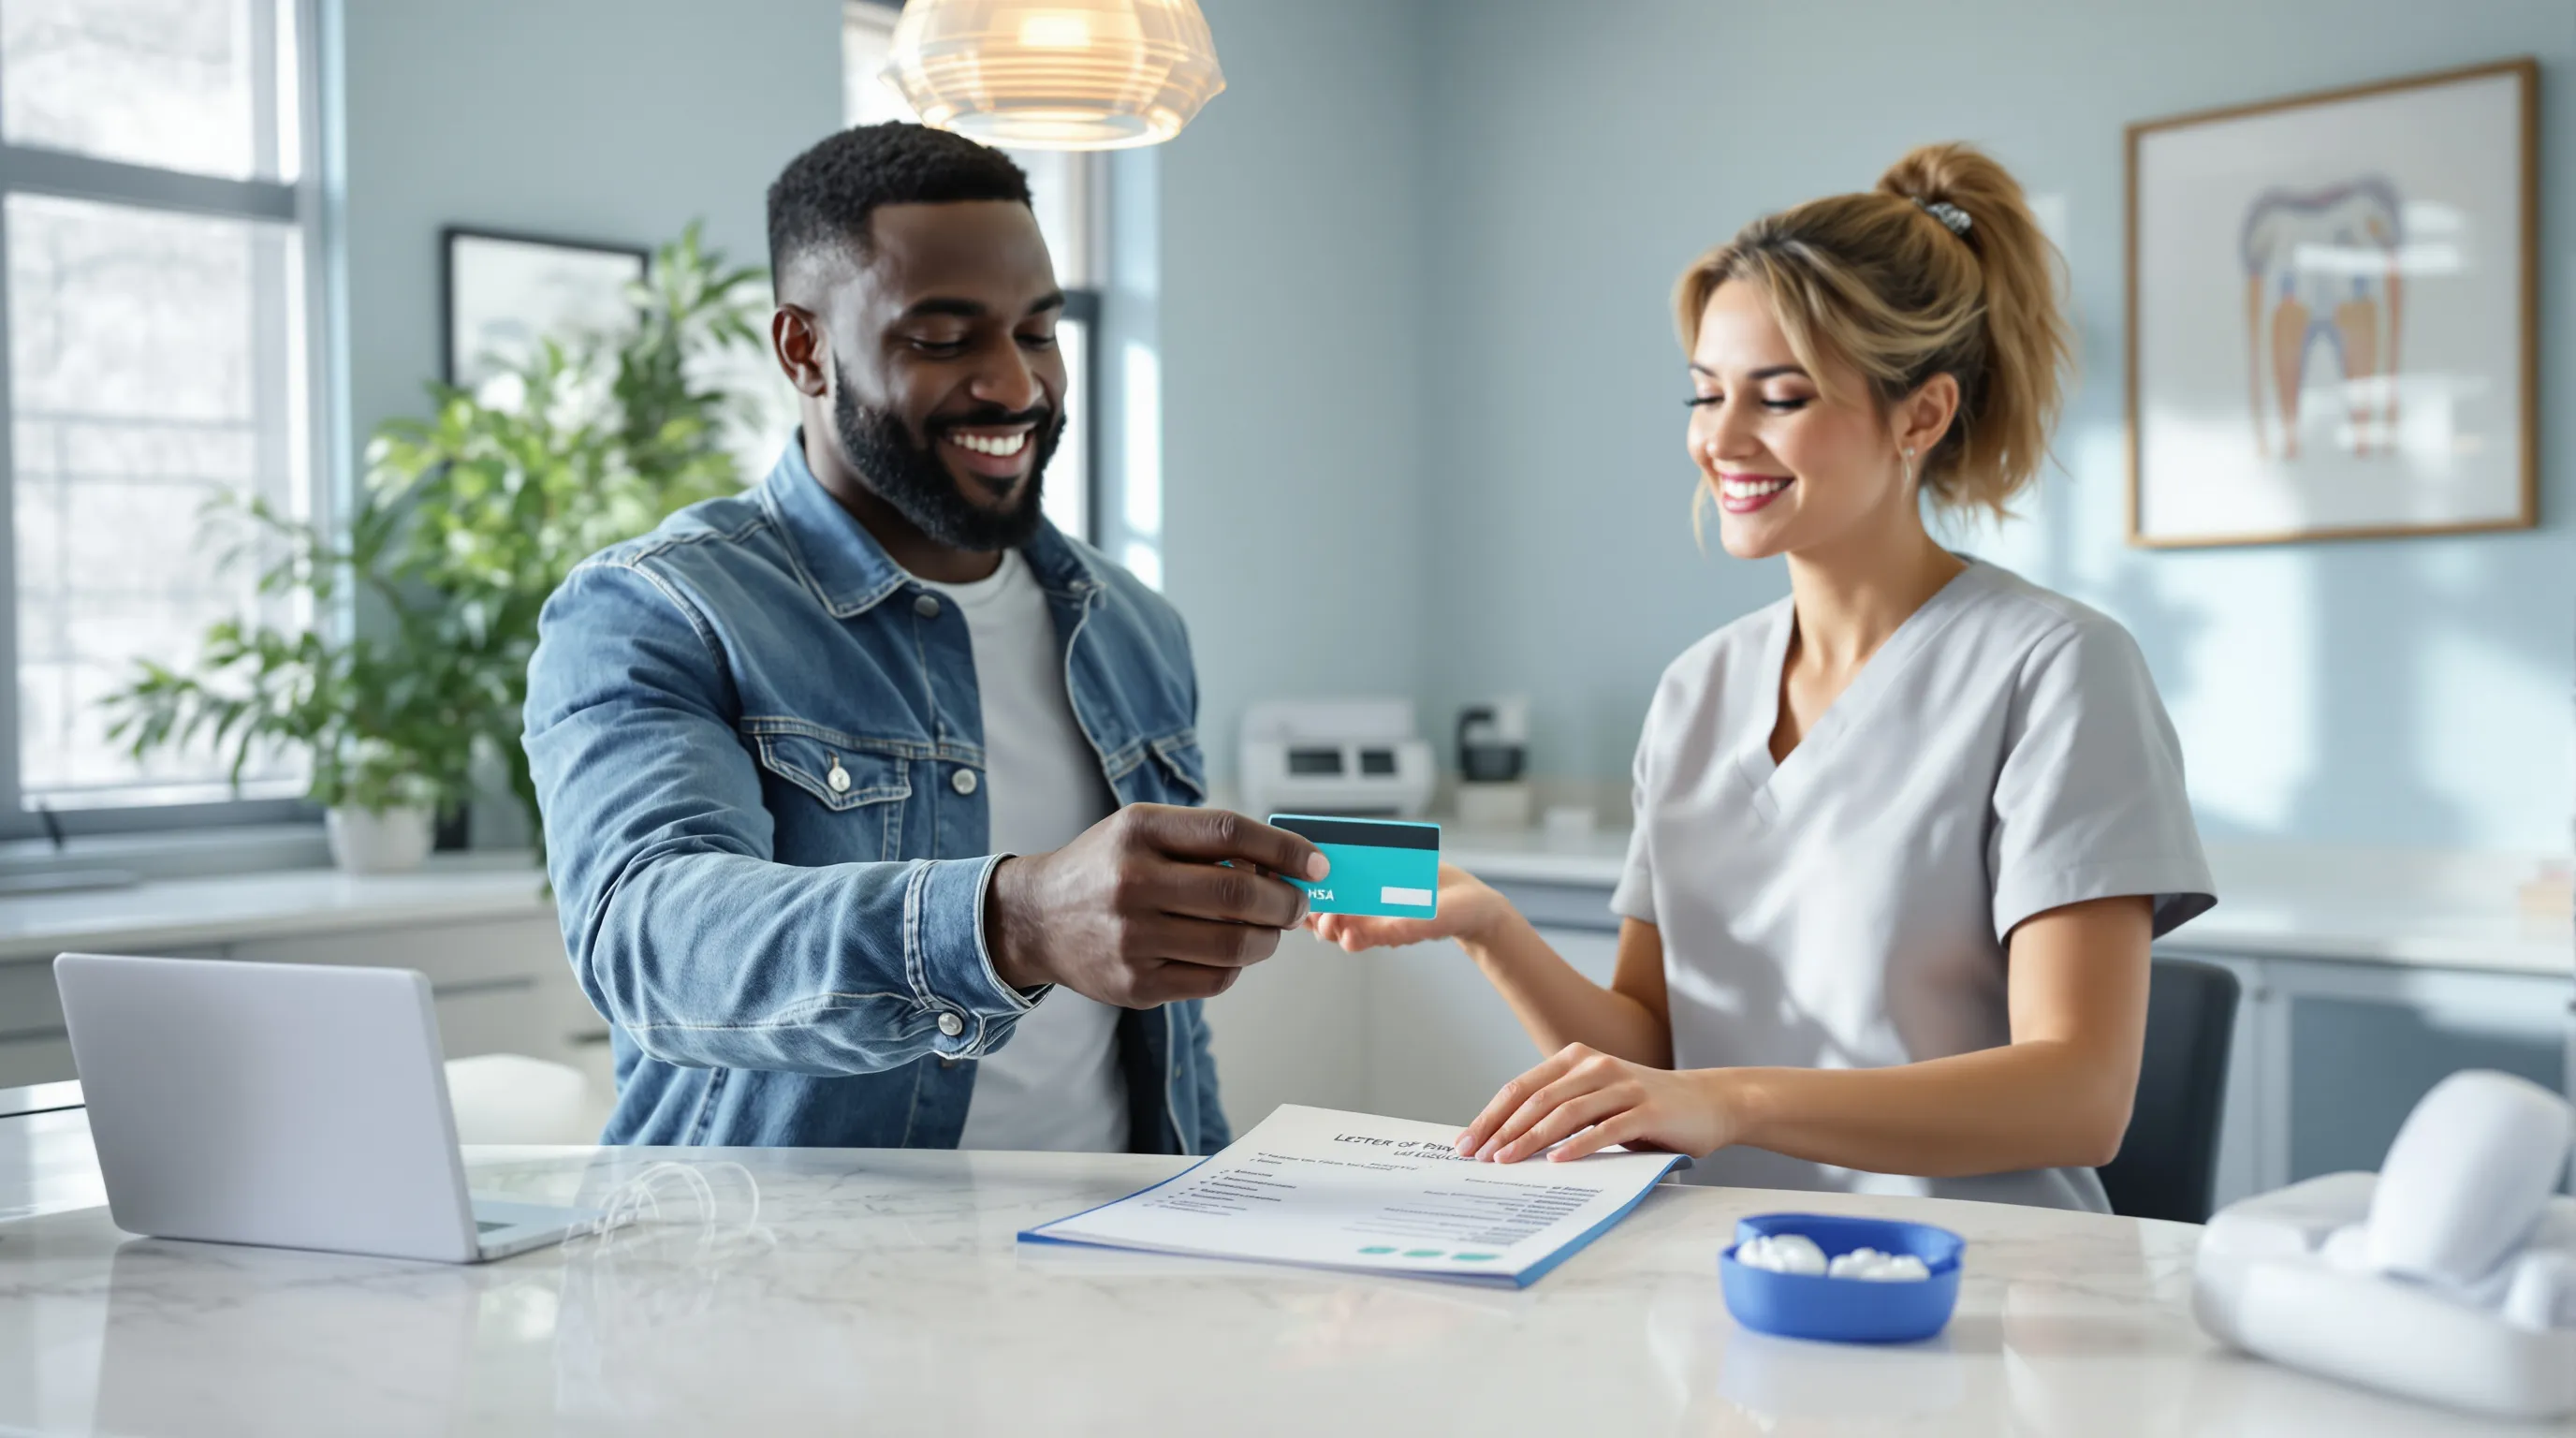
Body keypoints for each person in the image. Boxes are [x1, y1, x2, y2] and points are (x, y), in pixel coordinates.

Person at [1314, 143, 2215, 1210]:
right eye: (1704, 396)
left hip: (1978, 1296)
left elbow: (2079, 1094)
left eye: (1778, 398)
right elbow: (1652, 1051)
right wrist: (1488, 927)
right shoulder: (1698, 690)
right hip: (1723, 1274)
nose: (1721, 440)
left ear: (1920, 416)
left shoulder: (2056, 672)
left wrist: (1732, 1103)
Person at [522, 123, 1325, 1154]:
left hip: (1109, 1271)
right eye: (945, 341)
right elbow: (653, 943)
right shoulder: (659, 608)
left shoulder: (1131, 626)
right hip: (784, 1288)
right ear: (803, 349)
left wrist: (1208, 1198)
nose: (1015, 386)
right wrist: (1011, 923)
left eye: (1037, 332)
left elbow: (1166, 1025)